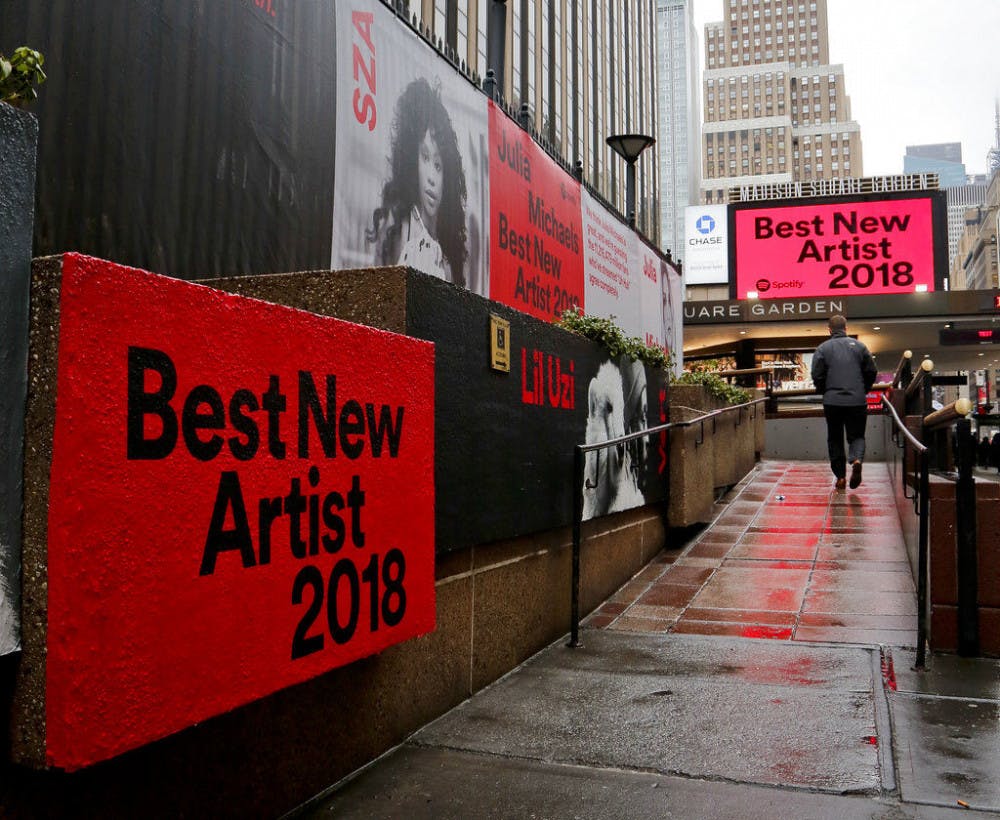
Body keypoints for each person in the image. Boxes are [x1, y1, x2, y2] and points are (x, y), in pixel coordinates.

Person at [368, 77, 468, 288]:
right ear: (412, 160)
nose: (432, 177)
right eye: (424, 157)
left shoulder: (447, 254)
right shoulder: (399, 227)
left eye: (438, 165)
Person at [810, 314, 877, 490]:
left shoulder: (823, 349)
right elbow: (871, 371)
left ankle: (840, 477)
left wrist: (825, 390)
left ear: (829, 330)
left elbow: (817, 375)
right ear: (846, 328)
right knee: (857, 436)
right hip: (857, 400)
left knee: (835, 438)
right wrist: (863, 389)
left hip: (832, 402)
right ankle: (856, 460)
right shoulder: (860, 347)